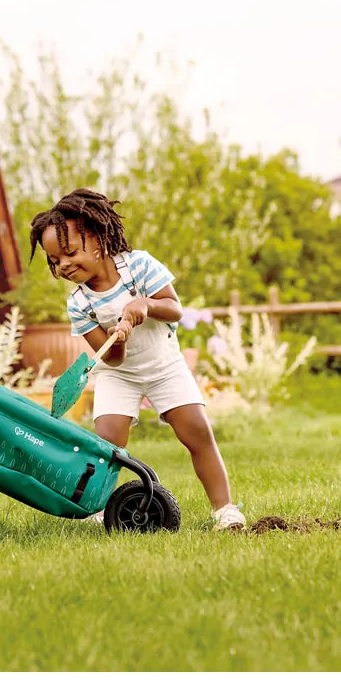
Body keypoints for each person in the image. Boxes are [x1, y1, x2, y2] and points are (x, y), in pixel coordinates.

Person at [30, 188, 246, 531]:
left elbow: (174, 307)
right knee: (106, 443)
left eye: (69, 252)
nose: (64, 265)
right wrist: (119, 340)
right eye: (55, 261)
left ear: (98, 238)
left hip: (165, 367)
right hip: (120, 376)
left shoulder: (139, 265)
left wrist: (145, 305)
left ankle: (225, 510)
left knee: (197, 433)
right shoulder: (79, 303)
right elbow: (111, 360)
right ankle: (99, 510)